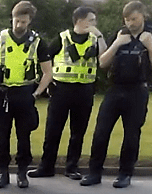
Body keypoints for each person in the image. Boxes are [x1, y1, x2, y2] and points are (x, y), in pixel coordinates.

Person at [80, 0, 152, 188]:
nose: (130, 23)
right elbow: (102, 63)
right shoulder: (119, 34)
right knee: (101, 132)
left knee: (131, 134)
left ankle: (125, 174)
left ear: (143, 16)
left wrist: (150, 47)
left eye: (134, 19)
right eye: (127, 19)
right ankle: (94, 172)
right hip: (116, 88)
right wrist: (117, 43)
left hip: (138, 90)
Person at [28, 6, 107, 181]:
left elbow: (105, 58)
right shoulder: (62, 38)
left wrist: (100, 36)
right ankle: (46, 166)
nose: (94, 23)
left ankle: (72, 168)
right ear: (80, 20)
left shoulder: (95, 39)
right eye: (92, 20)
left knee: (78, 132)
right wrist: (46, 82)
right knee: (53, 130)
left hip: (84, 91)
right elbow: (44, 60)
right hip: (61, 90)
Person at [0, 1, 53, 189]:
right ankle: (2, 173)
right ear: (12, 18)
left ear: (30, 22)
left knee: (24, 136)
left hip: (25, 93)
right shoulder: (0, 39)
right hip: (3, 94)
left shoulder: (37, 42)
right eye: (17, 21)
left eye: (23, 22)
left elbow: (48, 72)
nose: (19, 25)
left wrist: (36, 93)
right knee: (2, 137)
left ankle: (22, 173)